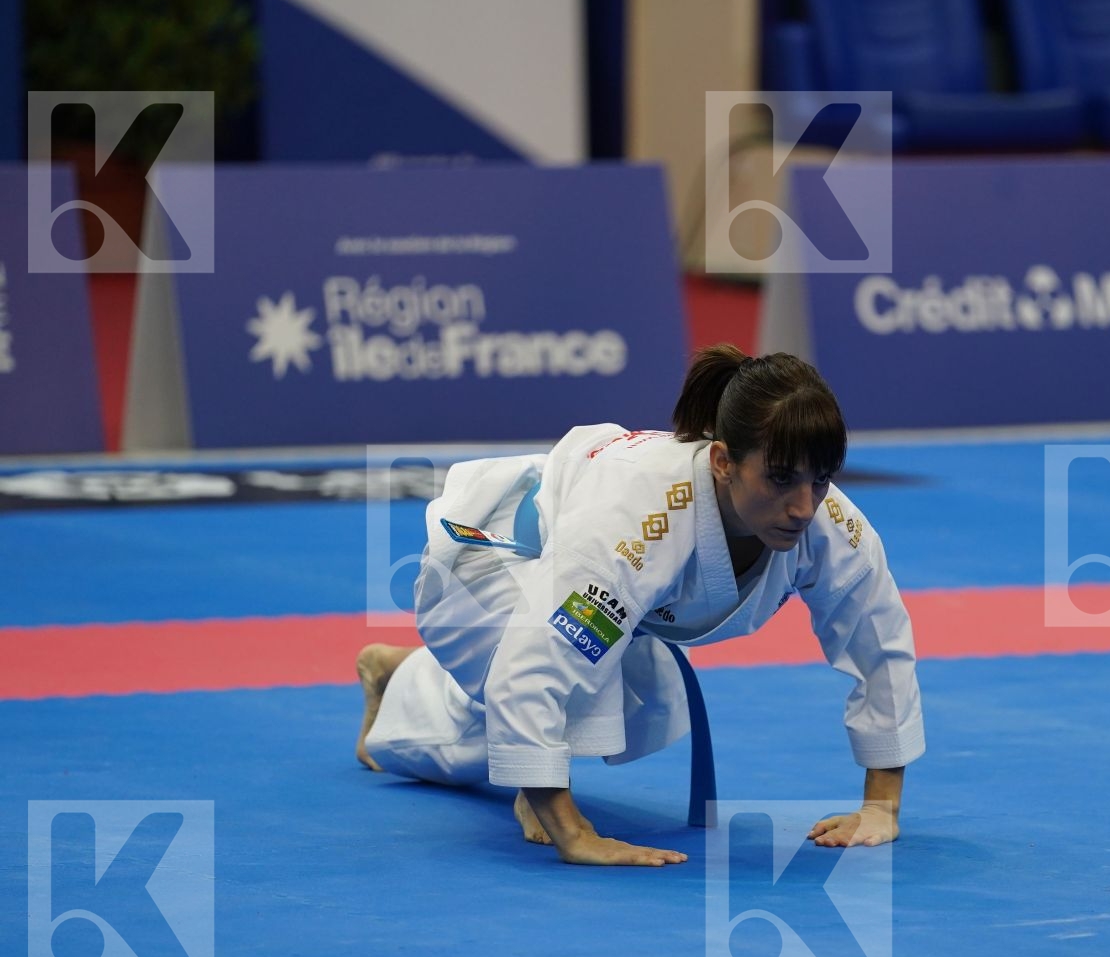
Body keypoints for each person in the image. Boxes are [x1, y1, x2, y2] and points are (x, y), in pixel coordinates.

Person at [354, 345, 925, 867]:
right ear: (724, 461)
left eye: (821, 480)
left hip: (569, 575)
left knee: (629, 701)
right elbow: (532, 667)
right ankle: (441, 730)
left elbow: (878, 641)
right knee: (579, 688)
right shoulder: (641, 523)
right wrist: (569, 827)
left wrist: (882, 806)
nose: (804, 507)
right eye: (780, 480)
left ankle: (400, 673)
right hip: (486, 565)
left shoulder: (826, 521)